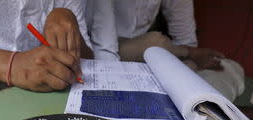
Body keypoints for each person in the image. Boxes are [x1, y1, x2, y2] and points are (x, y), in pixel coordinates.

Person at [86, 0, 224, 71]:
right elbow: (105, 46)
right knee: (154, 44)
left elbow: (186, 38)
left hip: (144, 55)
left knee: (158, 50)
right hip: (95, 47)